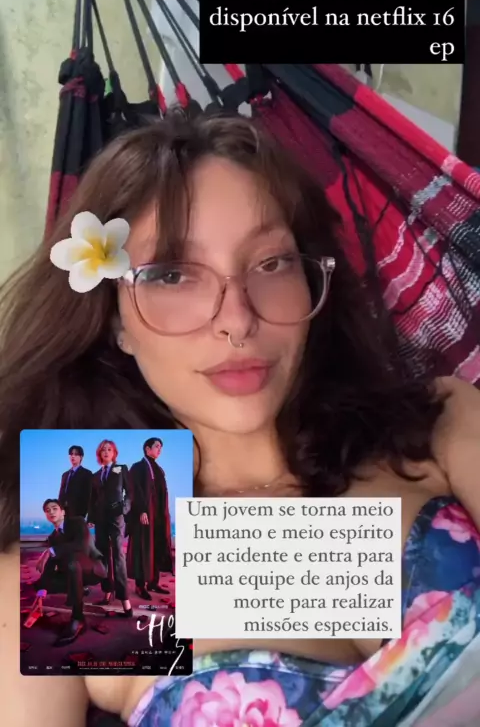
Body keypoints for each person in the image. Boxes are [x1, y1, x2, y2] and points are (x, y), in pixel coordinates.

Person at [0, 112, 479, 727]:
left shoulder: (433, 425)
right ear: (114, 320)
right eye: (172, 273)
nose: (237, 320)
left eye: (272, 262)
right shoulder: (84, 557)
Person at [31, 499, 107, 646]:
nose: (51, 512)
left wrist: (51, 550)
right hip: (73, 571)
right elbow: (51, 562)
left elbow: (81, 545)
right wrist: (42, 589)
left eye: (54, 508)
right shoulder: (53, 537)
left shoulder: (77, 522)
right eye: (47, 510)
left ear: (63, 512)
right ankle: (80, 589)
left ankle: (77, 618)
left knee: (73, 562)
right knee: (40, 584)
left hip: (92, 568)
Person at [88, 440, 132, 617]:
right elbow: (93, 499)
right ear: (99, 454)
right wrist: (91, 518)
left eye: (109, 449)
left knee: (118, 556)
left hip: (116, 517)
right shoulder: (95, 475)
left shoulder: (121, 469)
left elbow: (130, 492)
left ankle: (125, 602)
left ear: (114, 453)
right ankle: (107, 592)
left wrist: (124, 508)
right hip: (100, 519)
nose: (106, 452)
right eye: (103, 450)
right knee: (103, 556)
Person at [127, 437, 173, 599]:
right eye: (157, 446)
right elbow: (134, 490)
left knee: (157, 547)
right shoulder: (138, 467)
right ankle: (140, 586)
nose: (160, 450)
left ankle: (153, 582)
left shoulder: (158, 469)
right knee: (142, 549)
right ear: (147, 449)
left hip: (158, 515)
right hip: (145, 515)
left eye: (161, 447)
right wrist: (141, 511)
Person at [58, 445, 92, 519]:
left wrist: (84, 513)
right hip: (63, 512)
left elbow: (89, 495)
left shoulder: (87, 473)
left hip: (78, 512)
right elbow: (61, 493)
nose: (73, 456)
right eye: (71, 454)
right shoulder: (65, 475)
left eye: (76, 454)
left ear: (81, 457)